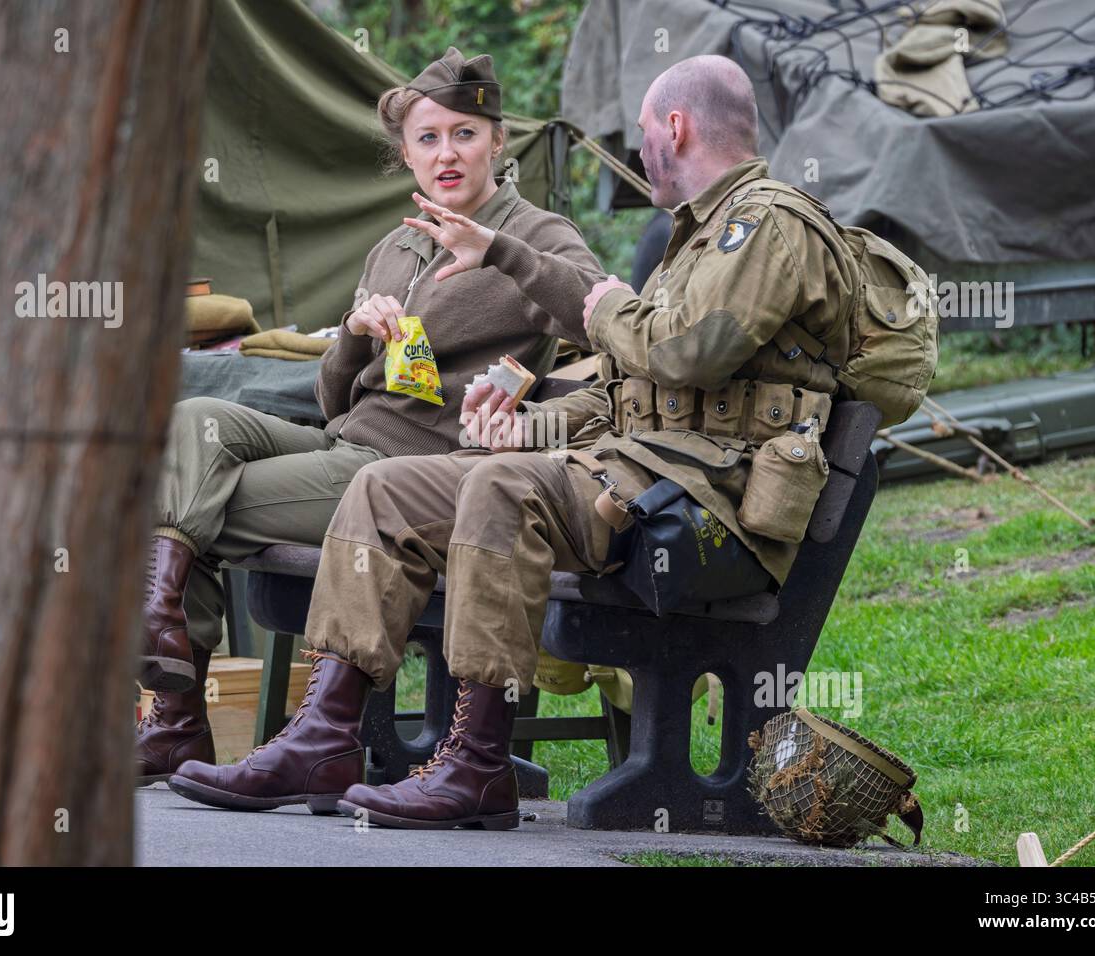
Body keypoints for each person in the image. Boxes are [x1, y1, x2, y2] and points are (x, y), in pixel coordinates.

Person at [169, 53, 862, 827]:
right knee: (382, 486)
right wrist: (528, 421)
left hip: (695, 496)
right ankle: (324, 736)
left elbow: (680, 355)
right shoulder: (692, 237)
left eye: (639, 134)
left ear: (676, 126)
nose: (635, 154)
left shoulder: (761, 224)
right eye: (426, 138)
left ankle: (477, 763)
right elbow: (620, 388)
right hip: (627, 465)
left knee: (497, 483)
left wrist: (593, 304)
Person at [137, 47, 604, 788]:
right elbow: (334, 402)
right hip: (342, 439)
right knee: (193, 423)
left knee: (185, 505)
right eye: (427, 138)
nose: (445, 153)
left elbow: (602, 313)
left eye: (464, 134)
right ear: (406, 154)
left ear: (496, 141)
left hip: (409, 472)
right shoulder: (397, 244)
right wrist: (356, 330)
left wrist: (503, 259)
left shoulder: (535, 234)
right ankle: (166, 654)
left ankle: (175, 713)